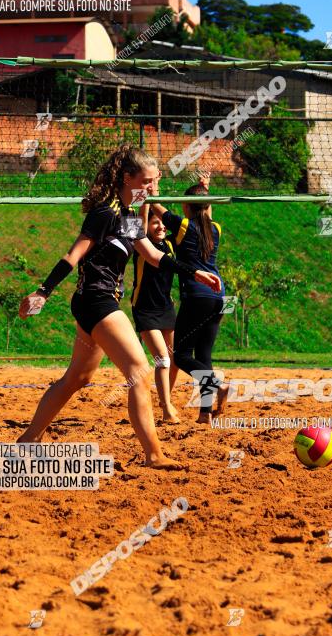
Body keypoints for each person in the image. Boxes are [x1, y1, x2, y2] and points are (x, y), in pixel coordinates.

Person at [17, 145, 221, 468]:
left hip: (100, 302)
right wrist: (43, 291)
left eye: (156, 181)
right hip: (95, 301)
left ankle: (27, 440)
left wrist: (193, 270)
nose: (154, 188)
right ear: (128, 178)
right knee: (138, 370)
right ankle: (154, 454)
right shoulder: (106, 212)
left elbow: (153, 256)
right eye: (149, 181)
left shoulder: (128, 216)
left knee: (77, 378)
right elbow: (73, 256)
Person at [150, 174, 229, 424]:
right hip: (219, 296)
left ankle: (215, 383)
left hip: (198, 294)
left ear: (186, 205)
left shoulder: (184, 226)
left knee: (181, 355)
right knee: (204, 354)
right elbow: (206, 209)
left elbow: (156, 206)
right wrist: (205, 189)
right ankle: (205, 414)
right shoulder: (215, 228)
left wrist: (152, 189)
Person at [131, 210, 180, 424]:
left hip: (166, 308)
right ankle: (167, 408)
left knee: (174, 358)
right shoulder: (139, 243)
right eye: (155, 223)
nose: (161, 227)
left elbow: (190, 222)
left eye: (163, 224)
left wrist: (155, 190)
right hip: (144, 309)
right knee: (162, 358)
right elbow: (139, 222)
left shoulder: (169, 245)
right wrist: (146, 199)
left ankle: (164, 400)